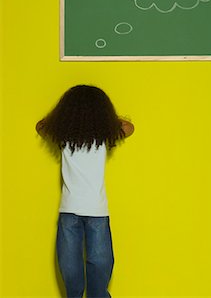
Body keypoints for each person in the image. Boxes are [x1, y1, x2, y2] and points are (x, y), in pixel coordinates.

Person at [36, 84, 134, 298]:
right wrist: (63, 118)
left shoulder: (101, 137)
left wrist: (103, 119)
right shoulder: (66, 136)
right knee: (70, 269)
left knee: (101, 265)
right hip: (69, 211)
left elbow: (128, 127)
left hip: (97, 212)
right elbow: (41, 126)